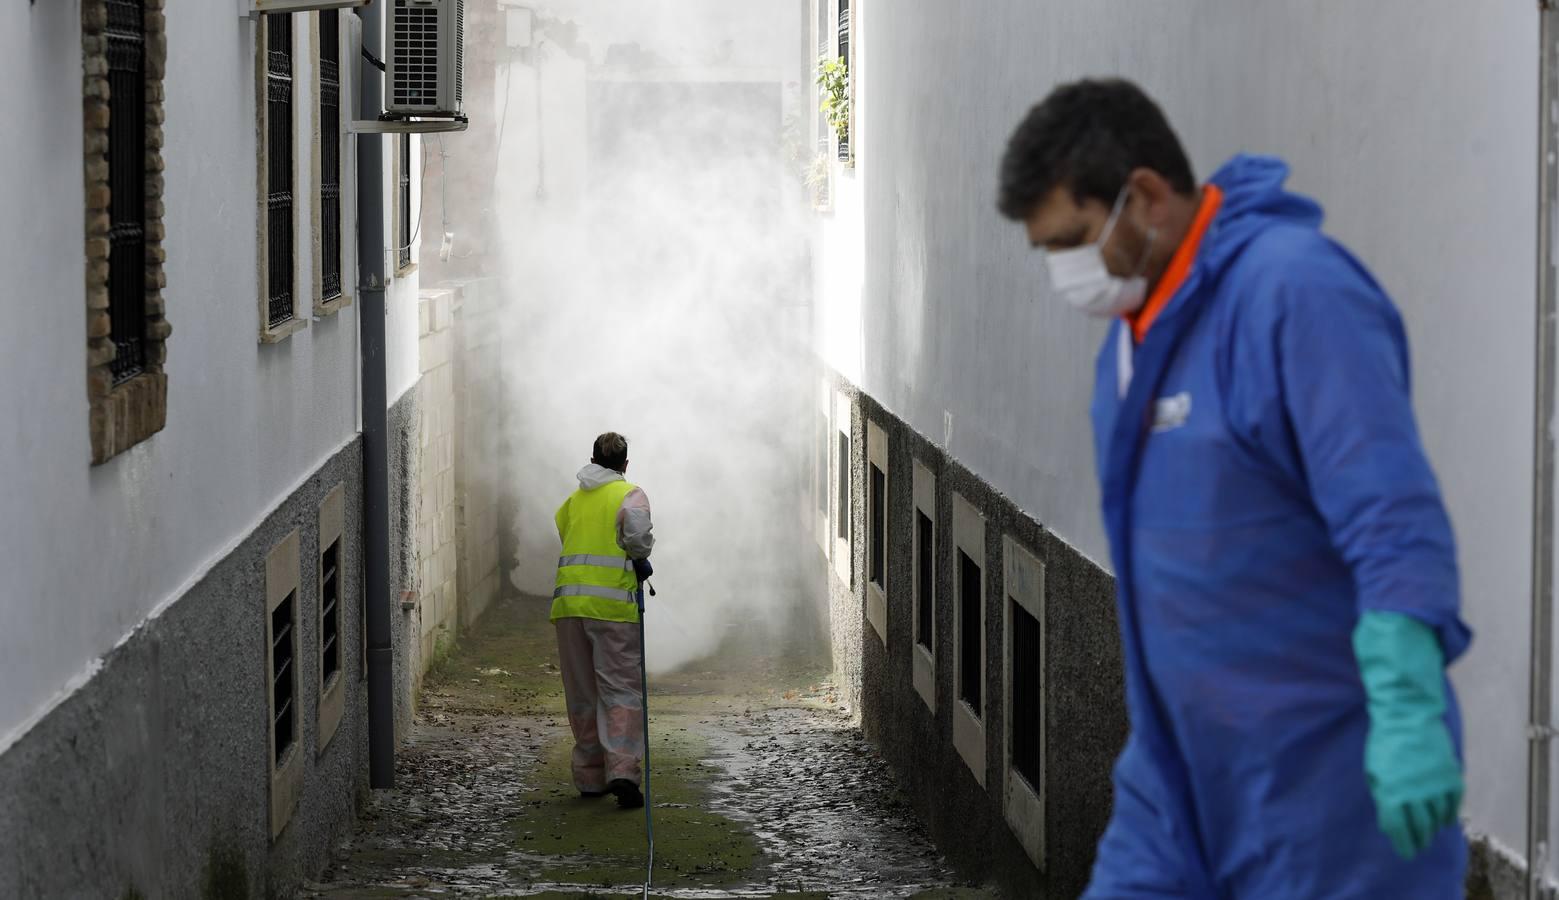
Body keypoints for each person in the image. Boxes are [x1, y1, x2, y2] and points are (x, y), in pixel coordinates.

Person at [997, 79, 1472, 898]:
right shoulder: (1131, 347)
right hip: (1173, 791)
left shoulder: (1292, 294)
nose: (1063, 273)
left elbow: (1388, 515)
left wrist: (1404, 712)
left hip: (1325, 793)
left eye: (1071, 239)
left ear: (1142, 196)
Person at [552, 432, 655, 809]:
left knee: (581, 694)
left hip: (568, 609)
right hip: (613, 611)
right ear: (625, 465)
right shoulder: (630, 495)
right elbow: (638, 540)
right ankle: (623, 772)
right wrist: (639, 558)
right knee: (620, 691)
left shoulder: (573, 501)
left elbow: (566, 533)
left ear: (592, 460)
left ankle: (590, 777)